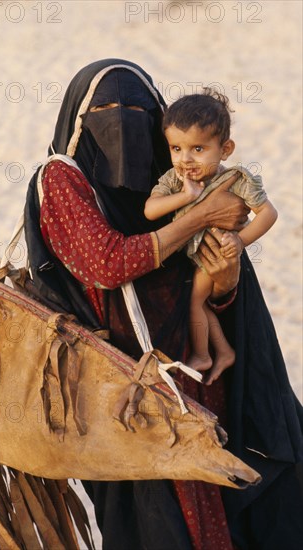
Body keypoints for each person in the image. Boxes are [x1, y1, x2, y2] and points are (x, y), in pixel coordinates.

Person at [24, 59, 303, 550]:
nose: (122, 122)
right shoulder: (63, 181)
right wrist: (197, 220)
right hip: (124, 382)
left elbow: (217, 278)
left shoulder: (173, 170)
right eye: (106, 110)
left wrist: (223, 279)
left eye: (135, 109)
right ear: (79, 118)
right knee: (155, 519)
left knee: (223, 502)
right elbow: (108, 263)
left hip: (197, 375)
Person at [144, 89, 278, 385]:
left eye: (198, 149)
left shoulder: (236, 181)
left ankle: (203, 354)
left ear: (225, 149)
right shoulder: (174, 180)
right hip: (197, 259)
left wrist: (241, 242)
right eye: (176, 149)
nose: (186, 159)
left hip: (217, 257)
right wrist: (185, 196)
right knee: (201, 304)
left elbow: (268, 213)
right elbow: (151, 210)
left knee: (195, 301)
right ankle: (224, 350)